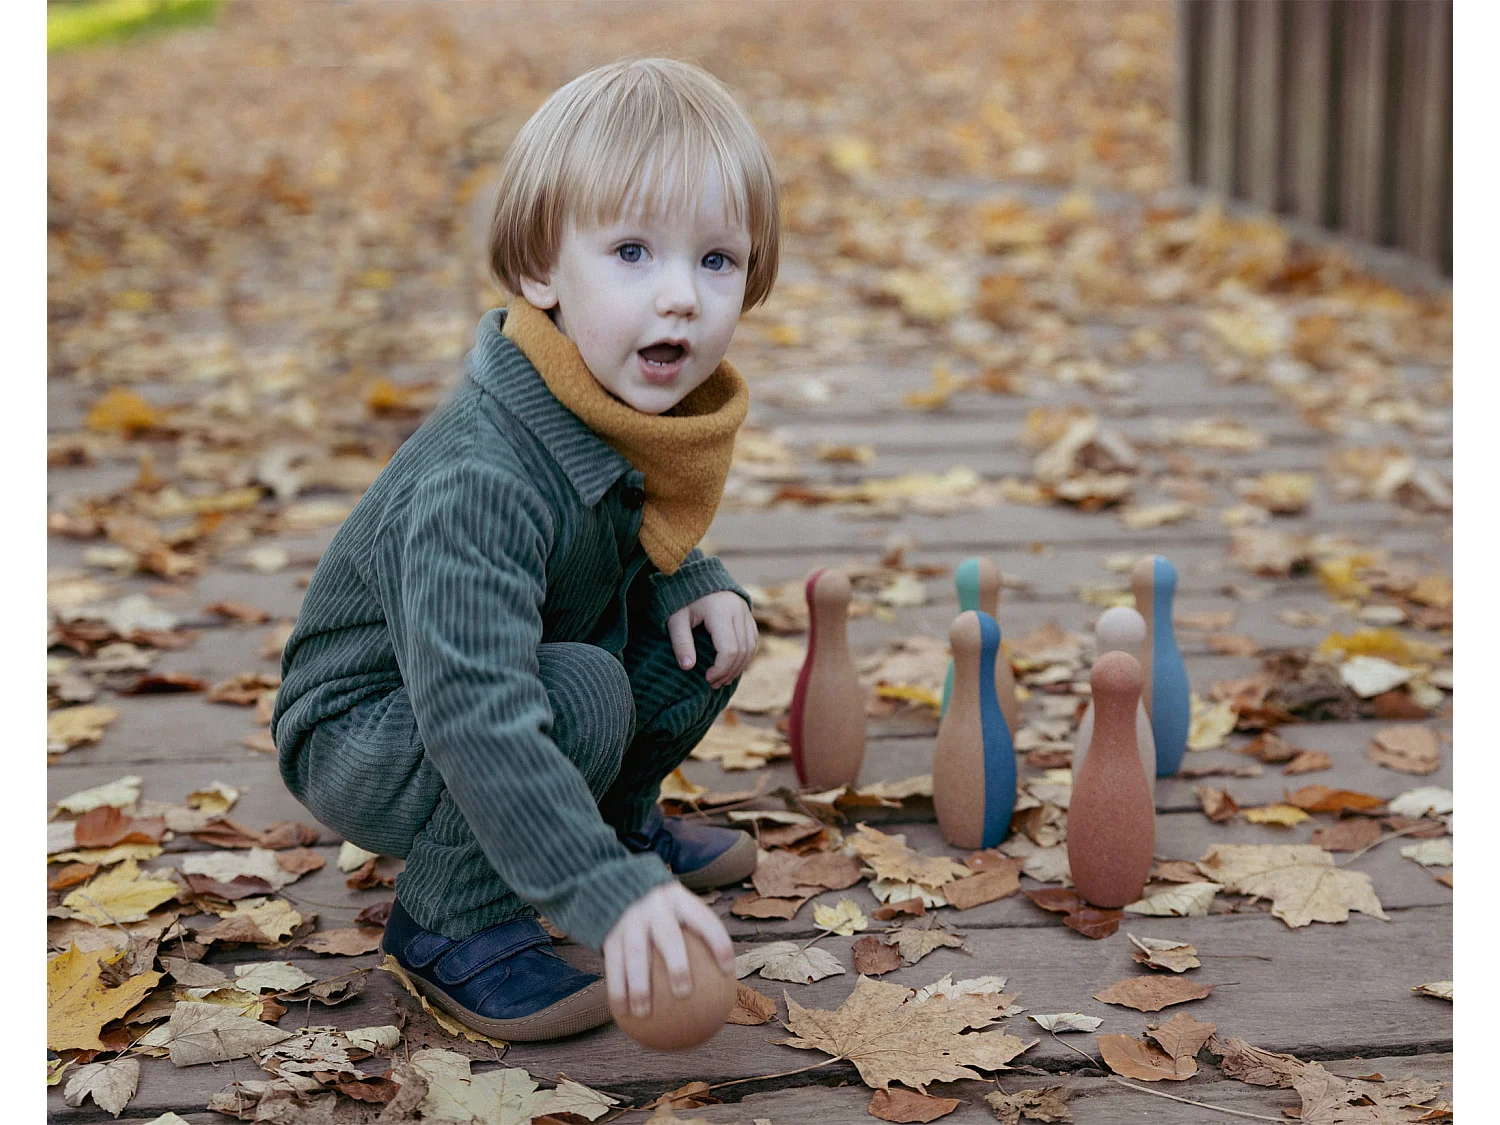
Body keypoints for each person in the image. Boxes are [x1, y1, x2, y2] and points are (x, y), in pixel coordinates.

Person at [271, 55, 780, 1041]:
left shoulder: (598, 394)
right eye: (633, 252)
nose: (681, 297)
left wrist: (699, 575)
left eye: (716, 260)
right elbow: (478, 711)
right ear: (540, 268)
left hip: (495, 673)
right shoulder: (481, 479)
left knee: (703, 624)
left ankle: (617, 823)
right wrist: (601, 897)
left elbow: (624, 527)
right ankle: (451, 924)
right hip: (374, 727)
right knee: (582, 689)